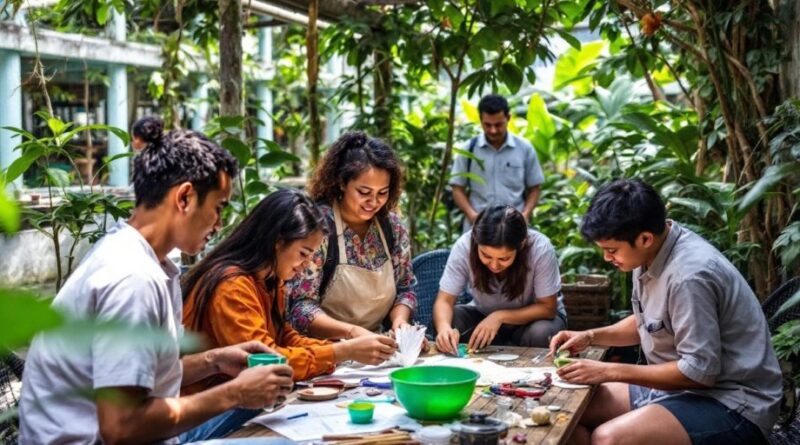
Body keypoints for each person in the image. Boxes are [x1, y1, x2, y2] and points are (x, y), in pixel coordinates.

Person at [19, 128, 294, 445]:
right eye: (219, 208)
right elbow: (121, 426)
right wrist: (236, 392)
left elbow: (137, 379)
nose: (219, 224)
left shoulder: (141, 259)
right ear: (185, 197)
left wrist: (214, 361)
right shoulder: (132, 278)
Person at [548, 179, 782, 445]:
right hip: (681, 391)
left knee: (608, 438)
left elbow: (698, 372)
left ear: (645, 238)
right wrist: (590, 336)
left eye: (611, 250)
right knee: (572, 410)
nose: (606, 258)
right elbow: (646, 321)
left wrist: (607, 371)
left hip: (733, 403)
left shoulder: (689, 276)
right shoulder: (649, 252)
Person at [182, 188, 398, 386]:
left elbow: (285, 337)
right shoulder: (232, 287)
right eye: (303, 254)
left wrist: (343, 347)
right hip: (207, 409)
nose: (305, 265)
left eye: (311, 255)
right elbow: (266, 362)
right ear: (277, 240)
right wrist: (340, 351)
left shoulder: (269, 280)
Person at [286, 131, 417, 339]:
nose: (373, 202)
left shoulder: (392, 227)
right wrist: (353, 334)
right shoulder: (318, 227)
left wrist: (400, 321)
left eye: (382, 193)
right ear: (341, 182)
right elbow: (299, 307)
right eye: (364, 192)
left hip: (380, 343)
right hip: (324, 348)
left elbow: (405, 288)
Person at [433, 205, 565, 353]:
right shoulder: (464, 246)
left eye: (504, 258)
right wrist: (444, 329)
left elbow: (547, 308)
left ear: (521, 245)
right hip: (483, 315)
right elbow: (445, 300)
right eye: (486, 256)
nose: (494, 265)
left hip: (532, 321)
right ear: (476, 242)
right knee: (451, 321)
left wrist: (499, 316)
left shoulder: (540, 248)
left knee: (541, 333)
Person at [450, 94, 544, 231]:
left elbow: (534, 188)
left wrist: (525, 215)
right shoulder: (468, 149)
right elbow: (457, 188)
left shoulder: (525, 148)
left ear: (508, 118)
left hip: (514, 227)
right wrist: (472, 216)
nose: (493, 130)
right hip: (478, 227)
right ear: (480, 120)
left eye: (498, 125)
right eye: (487, 125)